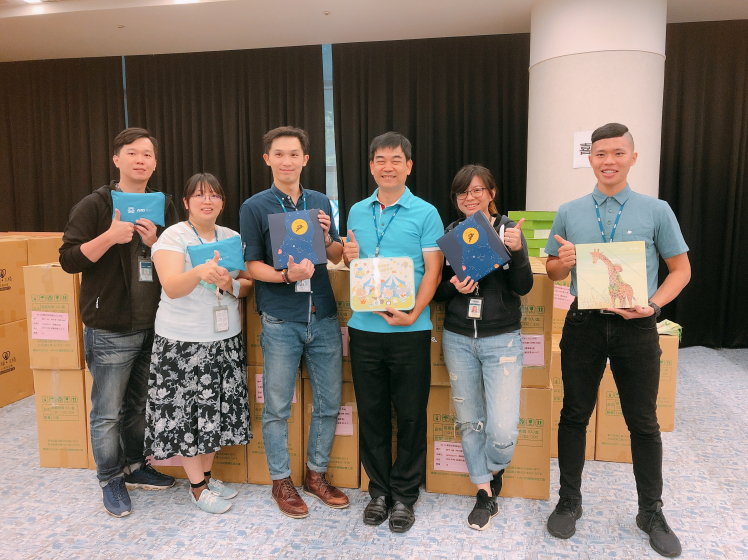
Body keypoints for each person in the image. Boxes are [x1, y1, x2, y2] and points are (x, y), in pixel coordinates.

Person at [544, 123, 690, 558]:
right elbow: (552, 271)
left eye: (618, 153)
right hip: (583, 324)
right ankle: (569, 500)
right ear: (590, 159)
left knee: (643, 421)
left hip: (637, 327)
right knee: (574, 414)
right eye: (601, 153)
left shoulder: (657, 210)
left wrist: (654, 305)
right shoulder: (569, 211)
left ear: (632, 158)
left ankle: (651, 511)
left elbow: (681, 270)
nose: (609, 161)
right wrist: (562, 262)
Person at [59, 127, 178, 518]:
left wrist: (157, 240)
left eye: (147, 154)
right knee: (107, 411)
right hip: (110, 327)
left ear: (155, 163)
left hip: (154, 324)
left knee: (139, 405)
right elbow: (68, 260)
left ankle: (135, 466)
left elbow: (178, 256)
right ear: (116, 159)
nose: (140, 160)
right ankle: (110, 478)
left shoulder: (164, 205)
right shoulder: (95, 205)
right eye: (132, 153)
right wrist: (109, 236)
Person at [239, 126, 349, 518]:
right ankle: (281, 481)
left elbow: (336, 255)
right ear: (267, 159)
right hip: (281, 319)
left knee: (329, 402)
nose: (287, 161)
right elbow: (252, 265)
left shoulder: (320, 201)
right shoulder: (254, 207)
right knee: (277, 407)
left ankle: (316, 476)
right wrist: (286, 275)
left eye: (294, 154)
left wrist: (328, 237)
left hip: (323, 315)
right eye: (279, 154)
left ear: (305, 159)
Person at [342, 132, 444, 533]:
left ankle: (405, 495)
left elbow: (434, 271)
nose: (388, 166)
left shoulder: (426, 213)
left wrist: (414, 313)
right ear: (371, 167)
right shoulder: (356, 211)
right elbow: (355, 265)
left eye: (396, 159)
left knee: (411, 415)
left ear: (408, 166)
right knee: (372, 414)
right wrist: (347, 256)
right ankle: (379, 491)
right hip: (363, 330)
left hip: (410, 330)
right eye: (380, 160)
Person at [144, 173, 253, 514]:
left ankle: (206, 476)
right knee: (187, 416)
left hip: (224, 340)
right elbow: (172, 286)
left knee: (213, 413)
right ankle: (196, 488)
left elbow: (247, 284)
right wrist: (200, 272)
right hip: (183, 343)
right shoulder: (173, 236)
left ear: (222, 202)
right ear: (186, 202)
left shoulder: (231, 237)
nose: (208, 201)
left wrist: (229, 284)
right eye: (199, 195)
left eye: (214, 195)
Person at [432, 164, 533, 530]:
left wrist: (517, 252)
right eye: (463, 192)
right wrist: (452, 287)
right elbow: (438, 292)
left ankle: (492, 470)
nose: (470, 197)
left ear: (492, 193)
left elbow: (523, 287)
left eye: (477, 190)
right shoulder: (452, 235)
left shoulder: (509, 230)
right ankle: (484, 493)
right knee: (469, 420)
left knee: (502, 431)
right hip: (458, 339)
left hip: (501, 340)